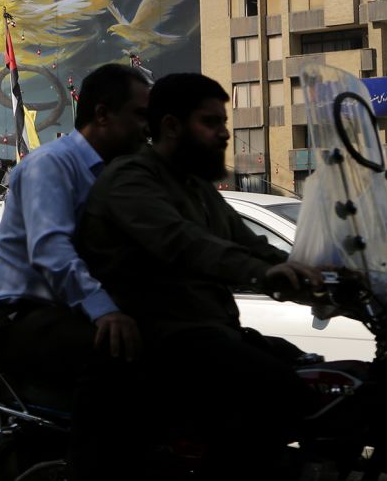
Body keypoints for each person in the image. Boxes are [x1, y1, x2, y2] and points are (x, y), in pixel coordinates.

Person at [76, 73, 324, 479]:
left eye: (224, 123)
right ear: (171, 126)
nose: (225, 134)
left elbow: (250, 244)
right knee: (279, 392)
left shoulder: (199, 186)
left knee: (322, 383)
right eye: (211, 123)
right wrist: (267, 273)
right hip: (162, 341)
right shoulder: (131, 179)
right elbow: (185, 243)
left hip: (210, 333)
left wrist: (317, 275)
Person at [0, 62, 152, 480]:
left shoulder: (121, 176)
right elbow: (51, 250)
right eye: (139, 115)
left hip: (68, 314)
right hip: (22, 318)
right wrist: (105, 310)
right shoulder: (51, 165)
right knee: (120, 361)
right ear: (103, 114)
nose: (146, 128)